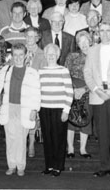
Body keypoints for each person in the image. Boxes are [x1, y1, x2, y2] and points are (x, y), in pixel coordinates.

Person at [84, 22, 110, 180]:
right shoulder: (92, 50)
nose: (105, 33)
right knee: (102, 134)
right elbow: (87, 73)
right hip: (98, 96)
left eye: (108, 30)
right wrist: (96, 90)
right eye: (102, 31)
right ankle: (104, 166)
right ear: (98, 33)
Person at [0, 43, 41, 177]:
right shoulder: (6, 70)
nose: (18, 57)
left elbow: (36, 93)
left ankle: (20, 166)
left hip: (24, 109)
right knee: (10, 139)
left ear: (26, 55)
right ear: (12, 56)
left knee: (21, 139)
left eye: (21, 55)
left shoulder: (32, 72)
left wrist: (34, 109)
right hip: (9, 107)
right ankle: (11, 165)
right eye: (15, 55)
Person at [39, 43, 73, 177]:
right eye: (48, 54)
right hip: (44, 108)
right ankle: (49, 165)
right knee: (47, 138)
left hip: (59, 109)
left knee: (58, 138)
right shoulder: (40, 71)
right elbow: (38, 91)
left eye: (54, 54)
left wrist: (66, 110)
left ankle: (58, 166)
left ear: (58, 55)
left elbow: (69, 92)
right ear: (45, 56)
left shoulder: (63, 70)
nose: (51, 56)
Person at [64, 31, 93, 159]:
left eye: (86, 41)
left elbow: (98, 78)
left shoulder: (96, 56)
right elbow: (65, 74)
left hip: (89, 91)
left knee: (86, 118)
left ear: (91, 41)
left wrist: (85, 89)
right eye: (81, 42)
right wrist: (73, 89)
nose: (84, 44)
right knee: (71, 118)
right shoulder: (72, 56)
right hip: (72, 90)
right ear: (77, 44)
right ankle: (70, 147)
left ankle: (83, 148)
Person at [23, 27, 47, 158]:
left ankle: (31, 144)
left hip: (34, 90)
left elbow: (43, 74)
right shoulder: (19, 51)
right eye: (27, 36)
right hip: (20, 89)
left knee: (32, 118)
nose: (29, 39)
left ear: (37, 38)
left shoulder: (42, 54)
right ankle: (22, 143)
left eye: (32, 36)